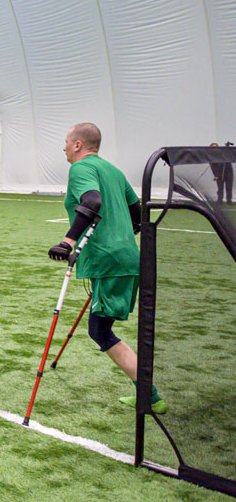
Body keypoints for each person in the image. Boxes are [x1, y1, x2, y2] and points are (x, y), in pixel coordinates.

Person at [48, 122, 166, 414]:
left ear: (78, 145)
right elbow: (137, 211)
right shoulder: (114, 170)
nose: (63, 147)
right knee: (101, 326)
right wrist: (121, 236)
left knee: (99, 330)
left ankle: (149, 396)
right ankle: (147, 394)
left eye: (66, 142)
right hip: (124, 256)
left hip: (109, 261)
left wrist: (67, 242)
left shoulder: (80, 169)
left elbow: (91, 201)